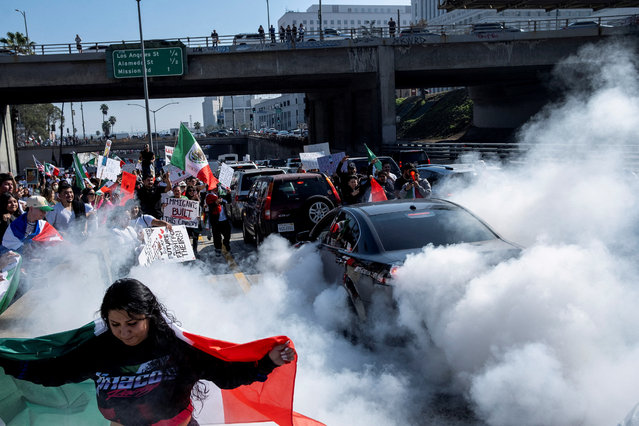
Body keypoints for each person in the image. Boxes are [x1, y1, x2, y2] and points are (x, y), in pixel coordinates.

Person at [0, 278, 296, 426]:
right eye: (114, 324)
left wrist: (268, 361)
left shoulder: (176, 347)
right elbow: (56, 372)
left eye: (132, 323)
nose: (124, 332)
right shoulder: (98, 349)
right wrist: (9, 362)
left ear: (149, 317)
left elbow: (228, 376)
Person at [206, 184, 231, 256]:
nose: (216, 188)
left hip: (224, 218)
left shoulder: (221, 194)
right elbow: (210, 205)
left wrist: (229, 193)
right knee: (217, 236)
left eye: (216, 187)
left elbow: (228, 201)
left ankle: (226, 244)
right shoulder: (209, 196)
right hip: (215, 219)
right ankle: (218, 248)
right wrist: (215, 202)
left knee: (227, 233)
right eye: (214, 187)